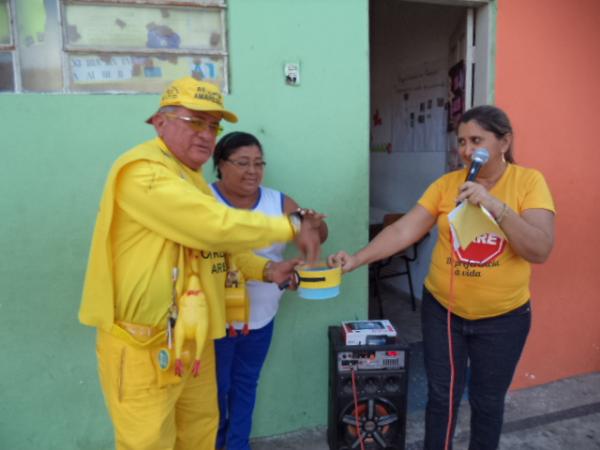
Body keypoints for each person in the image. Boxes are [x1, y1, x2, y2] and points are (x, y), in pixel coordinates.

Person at [78, 77, 323, 450]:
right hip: (144, 345)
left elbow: (213, 247)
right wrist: (290, 225)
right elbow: (214, 227)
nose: (205, 134)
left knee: (200, 434)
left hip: (192, 341)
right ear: (159, 122)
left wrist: (269, 270)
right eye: (194, 121)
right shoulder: (142, 172)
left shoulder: (190, 181)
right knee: (148, 442)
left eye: (212, 125)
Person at [329, 105, 555, 450]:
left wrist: (493, 205)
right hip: (443, 313)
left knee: (487, 402)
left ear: (504, 141)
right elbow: (405, 229)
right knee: (442, 398)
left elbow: (539, 249)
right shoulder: (447, 184)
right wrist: (356, 259)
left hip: (503, 320)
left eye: (476, 140)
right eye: (461, 141)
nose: (465, 150)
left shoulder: (528, 182)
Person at [209, 132, 328, 450]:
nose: (253, 170)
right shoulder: (204, 201)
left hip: (261, 317)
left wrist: (313, 224)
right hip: (211, 320)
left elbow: (313, 234)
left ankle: (237, 445)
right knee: (212, 392)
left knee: (246, 385)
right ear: (220, 165)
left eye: (259, 163)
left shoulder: (278, 202)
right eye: (243, 163)